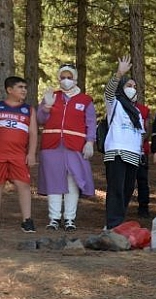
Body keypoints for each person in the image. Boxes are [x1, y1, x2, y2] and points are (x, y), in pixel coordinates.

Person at [37, 63, 96, 231]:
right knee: (54, 181)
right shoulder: (52, 96)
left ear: (75, 79)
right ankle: (54, 218)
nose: (66, 80)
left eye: (69, 77)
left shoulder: (85, 100)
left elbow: (91, 123)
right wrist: (46, 106)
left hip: (75, 145)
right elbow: (40, 119)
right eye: (62, 77)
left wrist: (90, 142)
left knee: (73, 181)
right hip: (52, 145)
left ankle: (70, 218)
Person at [102, 56, 145, 229]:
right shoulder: (115, 104)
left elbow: (139, 134)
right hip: (117, 152)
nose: (132, 89)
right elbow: (108, 92)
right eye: (129, 85)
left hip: (133, 155)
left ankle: (118, 223)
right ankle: (112, 225)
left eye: (134, 87)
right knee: (116, 190)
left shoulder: (137, 112)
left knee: (127, 191)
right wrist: (119, 74)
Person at [1, 76, 38, 232]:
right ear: (10, 90)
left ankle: (27, 220)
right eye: (20, 87)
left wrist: (31, 154)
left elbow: (34, 134)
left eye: (25, 87)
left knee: (23, 185)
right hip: (1, 154)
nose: (24, 90)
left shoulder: (28, 110)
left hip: (18, 155)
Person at [134, 101, 151, 218]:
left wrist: (139, 141)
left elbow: (148, 129)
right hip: (124, 150)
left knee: (142, 180)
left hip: (141, 150)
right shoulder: (118, 106)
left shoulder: (144, 110)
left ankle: (143, 207)